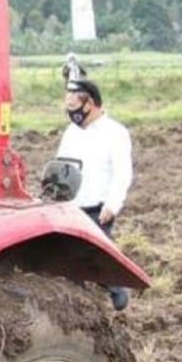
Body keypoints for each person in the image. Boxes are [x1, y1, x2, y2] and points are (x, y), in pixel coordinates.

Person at [56, 78, 133, 310]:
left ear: (89, 103)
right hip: (71, 205)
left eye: (74, 105)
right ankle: (79, 302)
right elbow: (61, 164)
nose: (71, 112)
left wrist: (113, 204)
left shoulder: (115, 133)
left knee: (99, 256)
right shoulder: (72, 132)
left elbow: (123, 172)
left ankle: (117, 291)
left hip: (97, 208)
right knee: (70, 258)